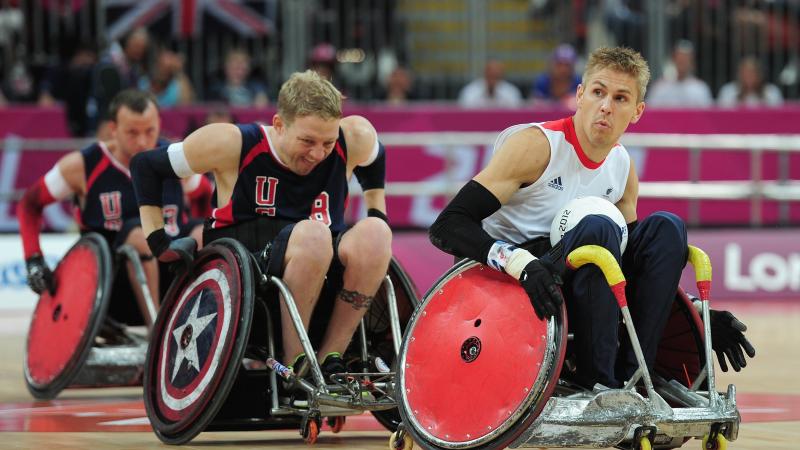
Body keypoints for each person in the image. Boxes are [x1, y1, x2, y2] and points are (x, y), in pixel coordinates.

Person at [429, 47, 755, 389]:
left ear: (637, 111)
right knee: (598, 228)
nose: (606, 106)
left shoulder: (622, 167)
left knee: (667, 228)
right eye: (598, 92)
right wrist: (520, 263)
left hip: (574, 275)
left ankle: (633, 378)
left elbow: (634, 266)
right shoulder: (536, 146)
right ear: (580, 95)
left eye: (620, 98)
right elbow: (447, 226)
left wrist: (692, 315)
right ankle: (597, 380)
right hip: (514, 279)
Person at [130, 70, 392, 385]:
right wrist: (159, 242)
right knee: (314, 235)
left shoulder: (355, 136)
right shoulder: (232, 142)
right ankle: (296, 366)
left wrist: (378, 210)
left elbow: (376, 158)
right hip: (250, 264)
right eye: (307, 141)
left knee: (376, 233)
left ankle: (331, 358)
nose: (318, 153)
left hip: (321, 263)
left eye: (328, 142)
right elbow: (146, 166)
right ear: (279, 125)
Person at [18, 89, 205, 328]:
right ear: (113, 129)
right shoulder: (83, 165)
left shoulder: (174, 158)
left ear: (159, 123)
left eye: (149, 131)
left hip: (171, 274)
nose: (142, 141)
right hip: (111, 283)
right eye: (132, 133)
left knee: (203, 233)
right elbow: (30, 204)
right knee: (139, 234)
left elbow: (204, 195)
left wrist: (199, 221)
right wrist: (33, 259)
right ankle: (158, 335)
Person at [647, 40, 713, 108]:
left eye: (686, 60)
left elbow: (706, 115)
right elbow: (652, 112)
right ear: (673, 61)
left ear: (692, 63)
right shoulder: (660, 87)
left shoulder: (700, 89)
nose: (682, 64)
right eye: (680, 60)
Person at [718, 56, 783, 108]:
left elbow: (778, 116)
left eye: (752, 74)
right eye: (745, 74)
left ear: (760, 75)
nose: (749, 78)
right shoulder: (728, 91)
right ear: (739, 75)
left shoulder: (771, 92)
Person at [531, 44, 582, 109]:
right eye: (559, 64)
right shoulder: (542, 81)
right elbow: (536, 104)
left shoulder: (579, 82)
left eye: (567, 65)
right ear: (552, 64)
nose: (563, 69)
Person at [458, 59, 523, 108]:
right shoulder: (470, 91)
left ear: (502, 76)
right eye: (490, 76)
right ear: (485, 73)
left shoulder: (511, 92)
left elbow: (516, 113)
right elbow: (464, 112)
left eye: (496, 77)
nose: (493, 80)